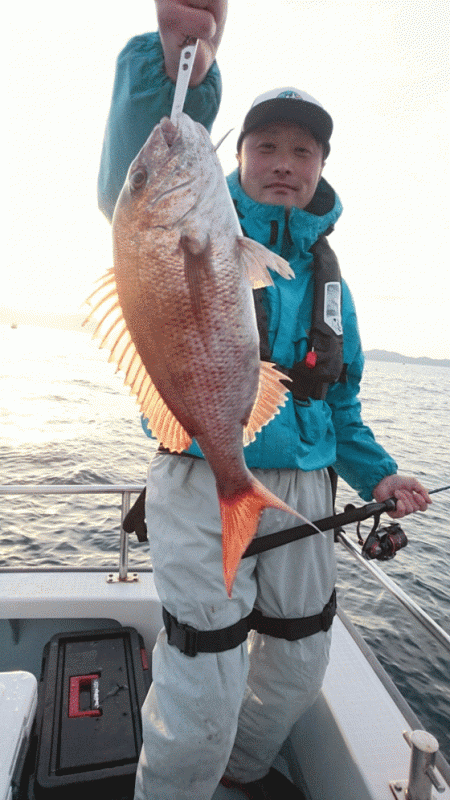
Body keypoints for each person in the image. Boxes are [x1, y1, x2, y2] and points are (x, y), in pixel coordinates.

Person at [98, 3, 431, 798]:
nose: (285, 162)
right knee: (205, 672)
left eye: (304, 151)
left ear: (322, 166)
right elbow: (133, 180)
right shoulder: (179, 221)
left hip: (306, 494)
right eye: (266, 146)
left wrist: (378, 477)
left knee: (299, 658)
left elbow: (339, 407)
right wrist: (174, 65)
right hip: (199, 474)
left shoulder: (330, 282)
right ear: (233, 157)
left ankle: (242, 776)